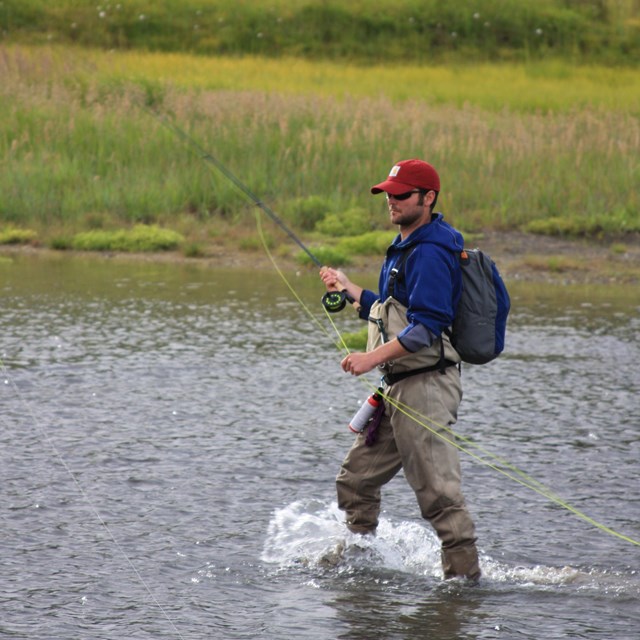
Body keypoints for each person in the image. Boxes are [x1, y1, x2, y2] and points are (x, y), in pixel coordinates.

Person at [320, 159, 481, 581]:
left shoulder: (430, 250)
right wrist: (348, 287)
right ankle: (359, 567)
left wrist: (369, 358)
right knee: (356, 481)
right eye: (388, 193)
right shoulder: (406, 245)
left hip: (426, 388)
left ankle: (464, 586)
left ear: (428, 199)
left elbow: (426, 327)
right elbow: (392, 312)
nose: (391, 201)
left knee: (440, 498)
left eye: (402, 194)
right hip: (397, 387)